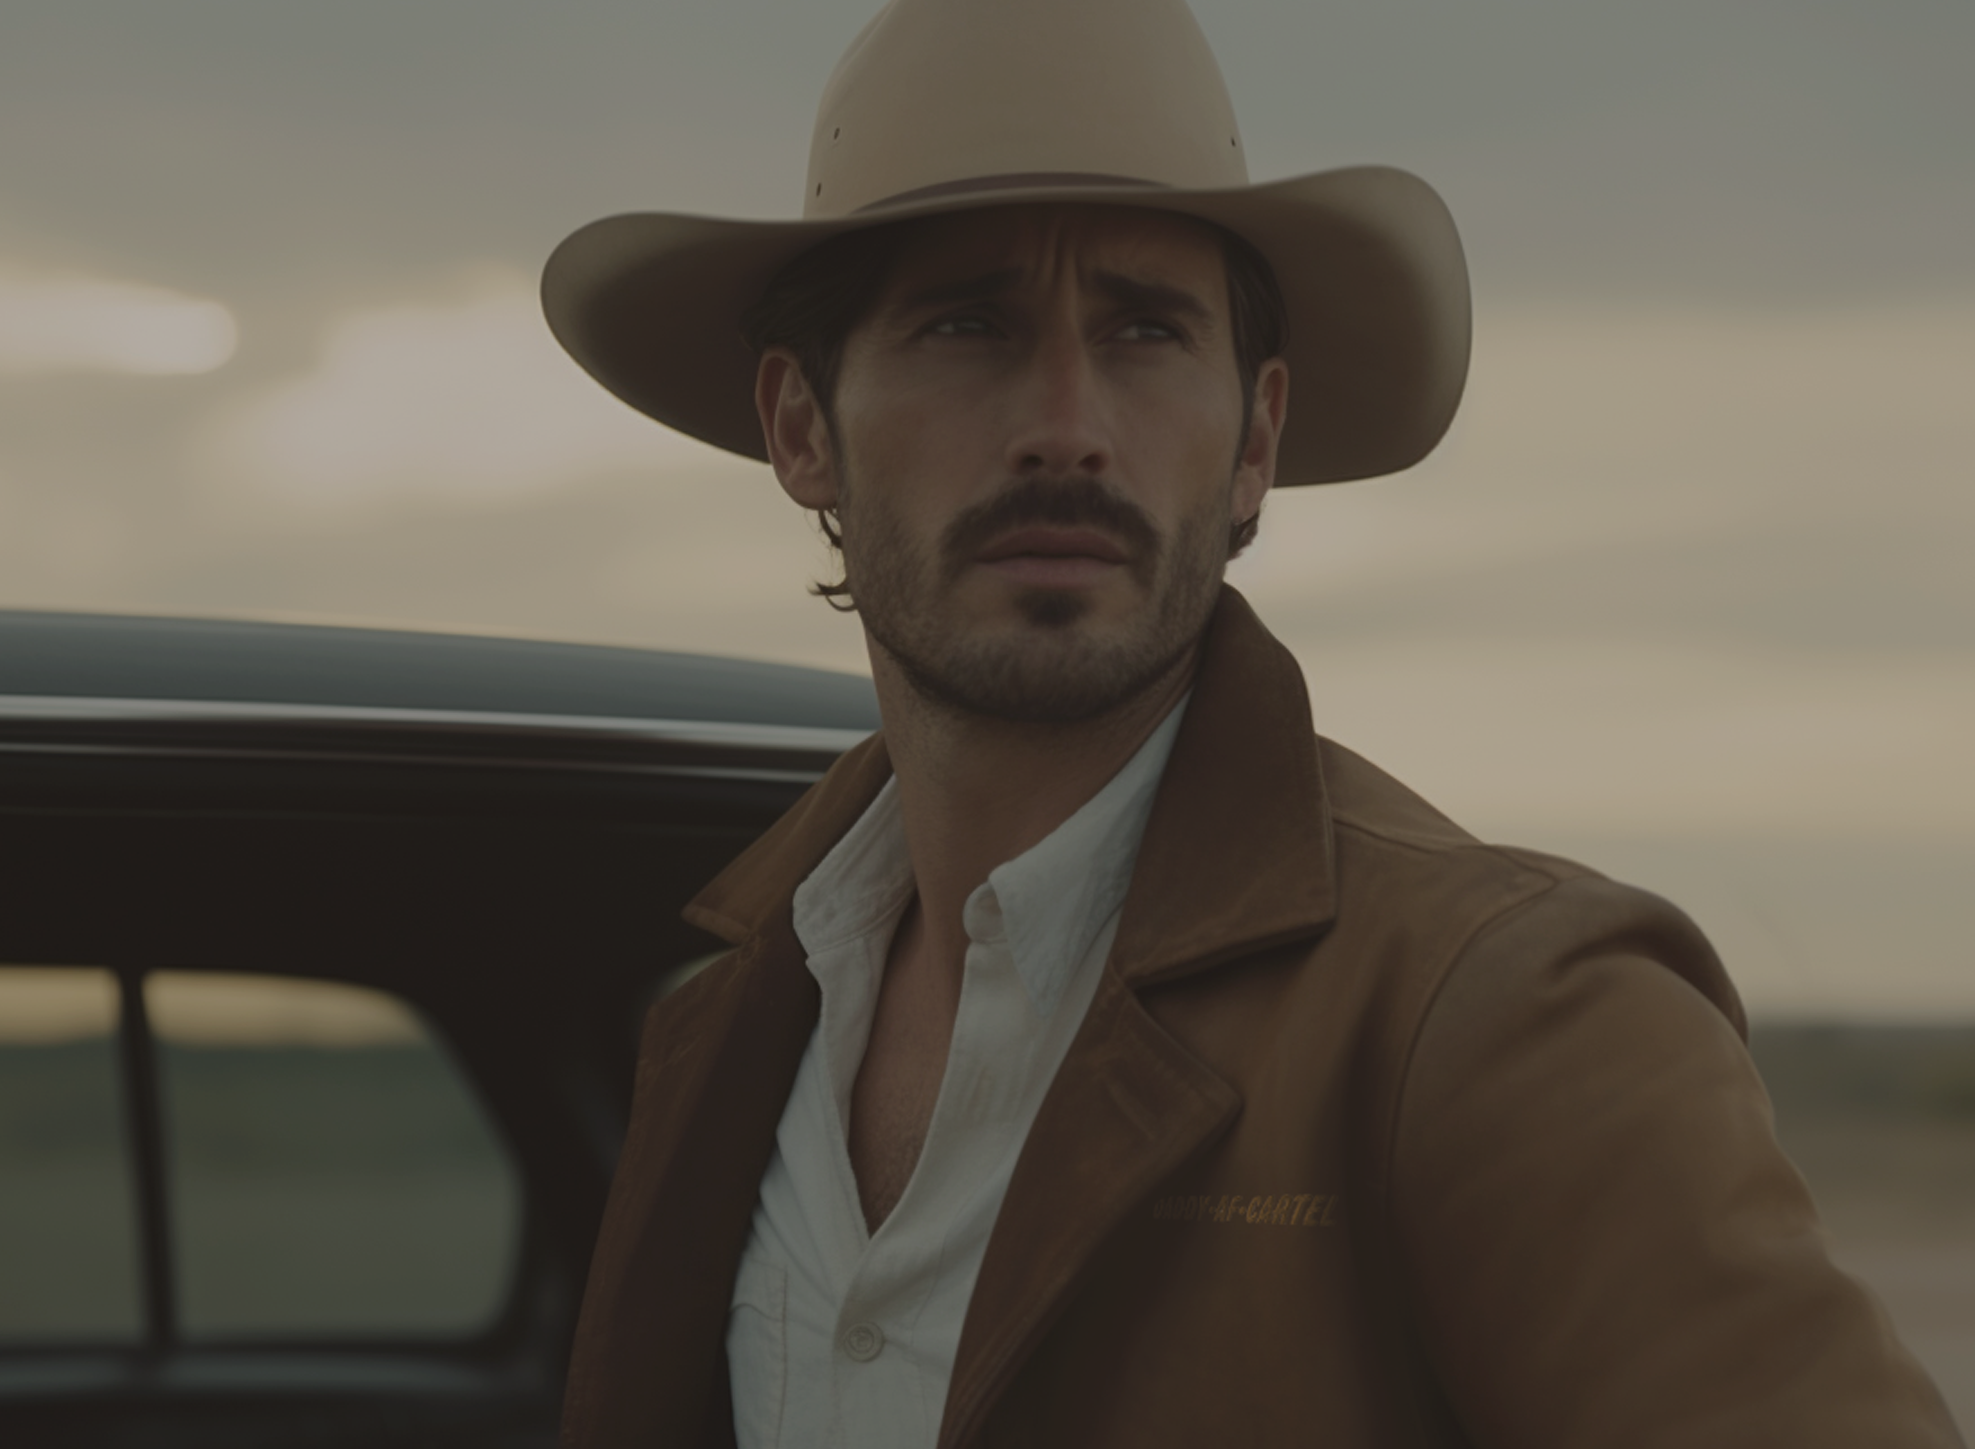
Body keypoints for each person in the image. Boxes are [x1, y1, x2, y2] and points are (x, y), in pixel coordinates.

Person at [541, 0, 1960, 1444]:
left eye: (1148, 330)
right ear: (800, 429)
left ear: (1256, 442)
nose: (1066, 423)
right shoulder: (733, 1022)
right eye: (968, 323)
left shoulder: (1508, 1019)